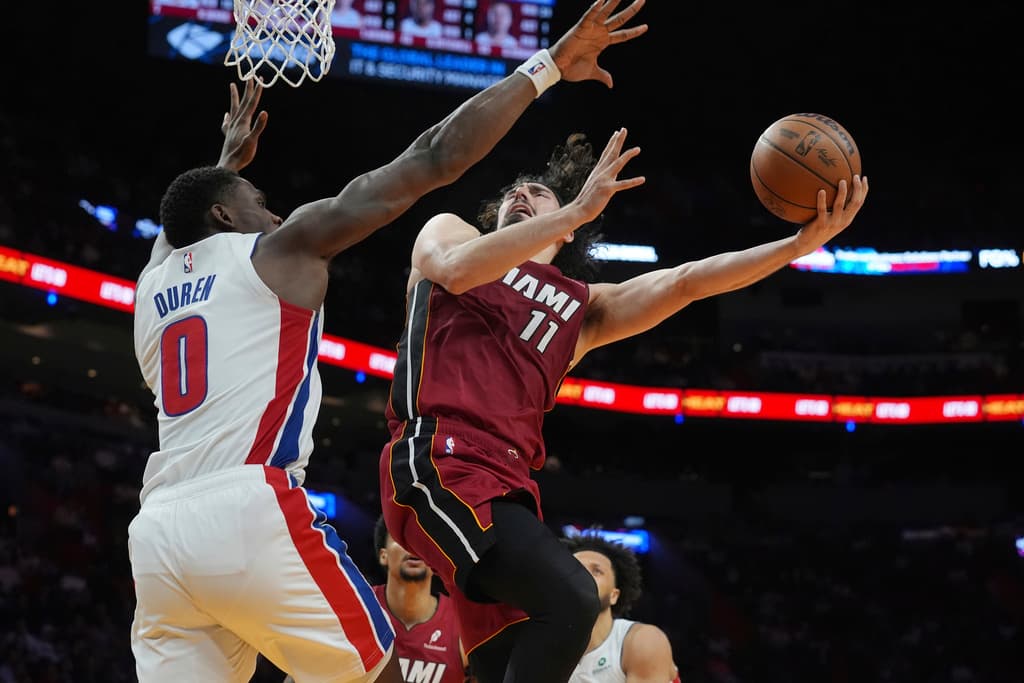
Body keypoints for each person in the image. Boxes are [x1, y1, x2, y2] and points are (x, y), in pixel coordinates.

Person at [126, 0, 650, 679]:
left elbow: (182, 227)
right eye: (258, 199)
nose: (275, 211)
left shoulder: (151, 289)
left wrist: (223, 166)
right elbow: (433, 156)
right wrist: (546, 67)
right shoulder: (280, 250)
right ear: (228, 215)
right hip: (245, 507)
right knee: (385, 666)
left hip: (159, 535)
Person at [378, 127, 868, 683]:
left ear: (566, 238)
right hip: (437, 461)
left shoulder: (584, 310)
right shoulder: (452, 232)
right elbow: (455, 269)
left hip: (511, 486)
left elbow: (688, 282)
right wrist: (572, 212)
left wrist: (796, 248)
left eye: (541, 194)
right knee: (574, 600)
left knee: (502, 658)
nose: (524, 195)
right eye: (516, 191)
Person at [564, 534, 679, 683]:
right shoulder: (543, 643)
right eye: (576, 569)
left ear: (614, 595)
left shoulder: (643, 640)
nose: (583, 576)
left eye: (596, 571)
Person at [373, 514, 473, 683]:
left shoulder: (462, 623)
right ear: (384, 555)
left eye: (421, 540)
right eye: (402, 538)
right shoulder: (361, 607)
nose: (413, 547)